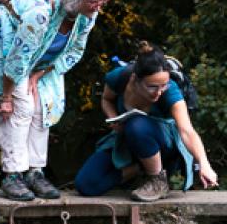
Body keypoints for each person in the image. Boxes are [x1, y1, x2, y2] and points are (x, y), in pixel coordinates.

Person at [0, 0, 110, 201]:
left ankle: (35, 172)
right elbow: (17, 59)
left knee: (43, 106)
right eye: (93, 2)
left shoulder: (87, 15)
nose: (98, 7)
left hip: (42, 62)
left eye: (102, 1)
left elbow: (74, 50)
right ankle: (12, 176)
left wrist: (38, 74)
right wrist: (5, 97)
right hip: (7, 45)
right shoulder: (41, 11)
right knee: (21, 107)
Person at [75, 42, 218, 202]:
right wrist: (113, 117)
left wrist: (204, 163)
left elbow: (187, 131)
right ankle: (139, 169)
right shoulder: (119, 77)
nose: (158, 92)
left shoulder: (171, 91)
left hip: (163, 143)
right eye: (152, 86)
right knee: (86, 184)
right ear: (135, 79)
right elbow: (106, 99)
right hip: (127, 139)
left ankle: (157, 180)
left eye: (163, 85)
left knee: (136, 124)